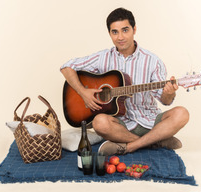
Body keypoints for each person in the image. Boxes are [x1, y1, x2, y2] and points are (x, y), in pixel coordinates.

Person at [60, 7, 189, 156]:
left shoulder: (153, 61)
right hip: (119, 125)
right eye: (115, 32)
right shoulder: (102, 57)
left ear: (134, 29)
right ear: (109, 33)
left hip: (150, 120)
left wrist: (169, 93)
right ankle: (155, 142)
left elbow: (165, 101)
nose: (120, 37)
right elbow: (66, 67)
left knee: (182, 113)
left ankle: (130, 146)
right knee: (98, 122)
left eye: (125, 30)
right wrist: (83, 93)